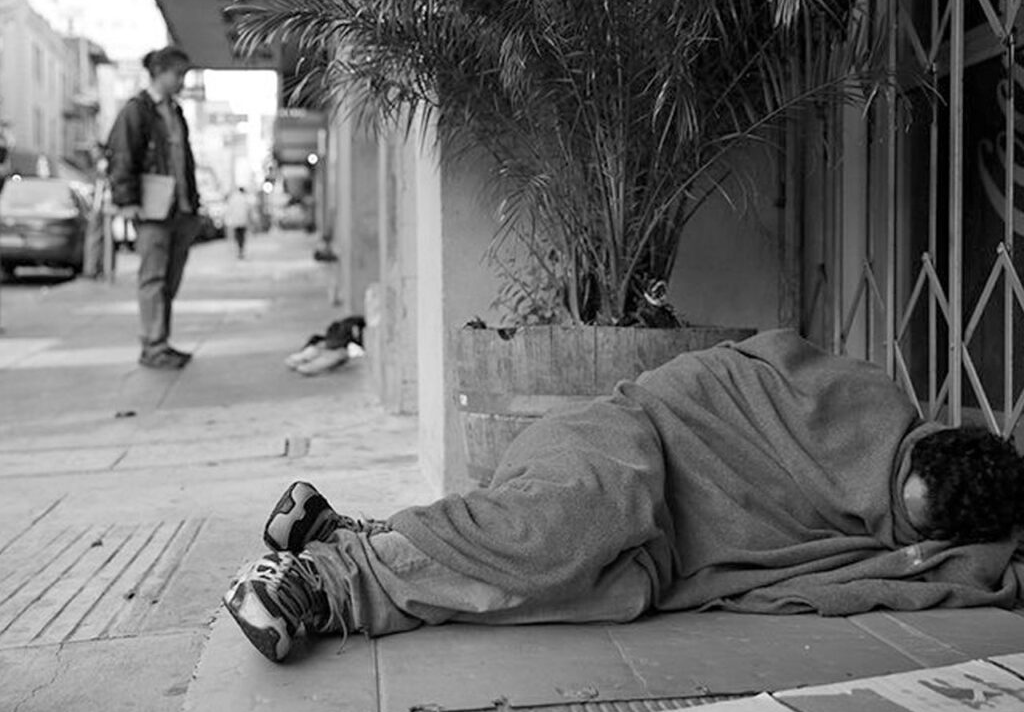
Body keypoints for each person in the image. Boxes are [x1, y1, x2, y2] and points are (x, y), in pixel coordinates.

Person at [222, 329, 1024, 663]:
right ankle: (324, 584)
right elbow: (715, 379)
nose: (879, 506)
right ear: (924, 441)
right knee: (572, 524)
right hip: (628, 443)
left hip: (668, 550)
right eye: (896, 487)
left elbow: (982, 563)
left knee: (608, 587)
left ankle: (354, 535)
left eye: (904, 520)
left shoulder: (925, 538)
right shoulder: (849, 394)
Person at [106, 46, 201, 370]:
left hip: (180, 210)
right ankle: (153, 345)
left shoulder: (175, 112)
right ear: (160, 72)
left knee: (169, 281)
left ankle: (161, 341)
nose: (183, 81)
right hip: (152, 210)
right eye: (179, 74)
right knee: (153, 279)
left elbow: (184, 163)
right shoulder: (137, 110)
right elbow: (121, 155)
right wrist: (127, 201)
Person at [225, 187, 251, 259]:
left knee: (237, 235)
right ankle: (241, 249)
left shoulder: (233, 198)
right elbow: (248, 210)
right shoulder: (244, 198)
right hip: (243, 220)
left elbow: (229, 210)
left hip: (235, 221)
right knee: (242, 236)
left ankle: (239, 249)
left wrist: (229, 220)